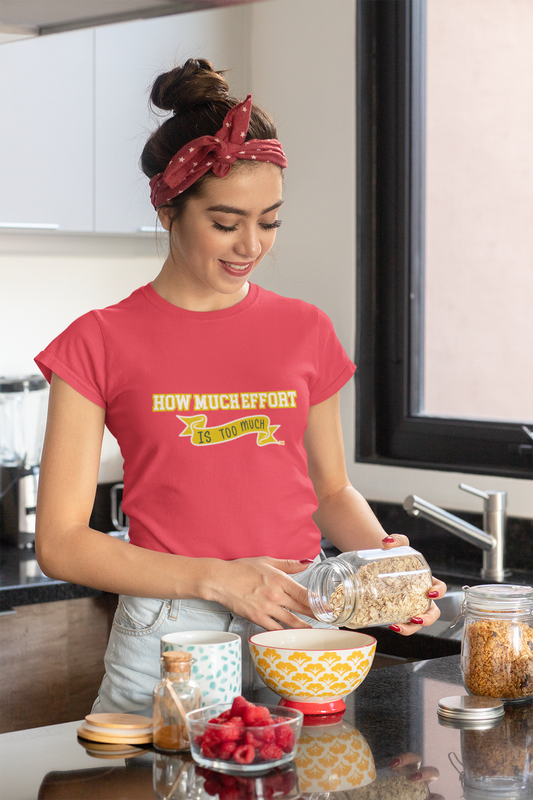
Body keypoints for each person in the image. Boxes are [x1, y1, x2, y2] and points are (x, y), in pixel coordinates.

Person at [34, 59, 446, 714]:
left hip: (299, 625)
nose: (250, 245)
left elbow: (329, 489)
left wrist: (385, 569)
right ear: (169, 211)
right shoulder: (97, 340)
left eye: (270, 221)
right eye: (226, 223)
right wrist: (220, 580)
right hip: (172, 630)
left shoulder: (304, 330)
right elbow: (58, 542)